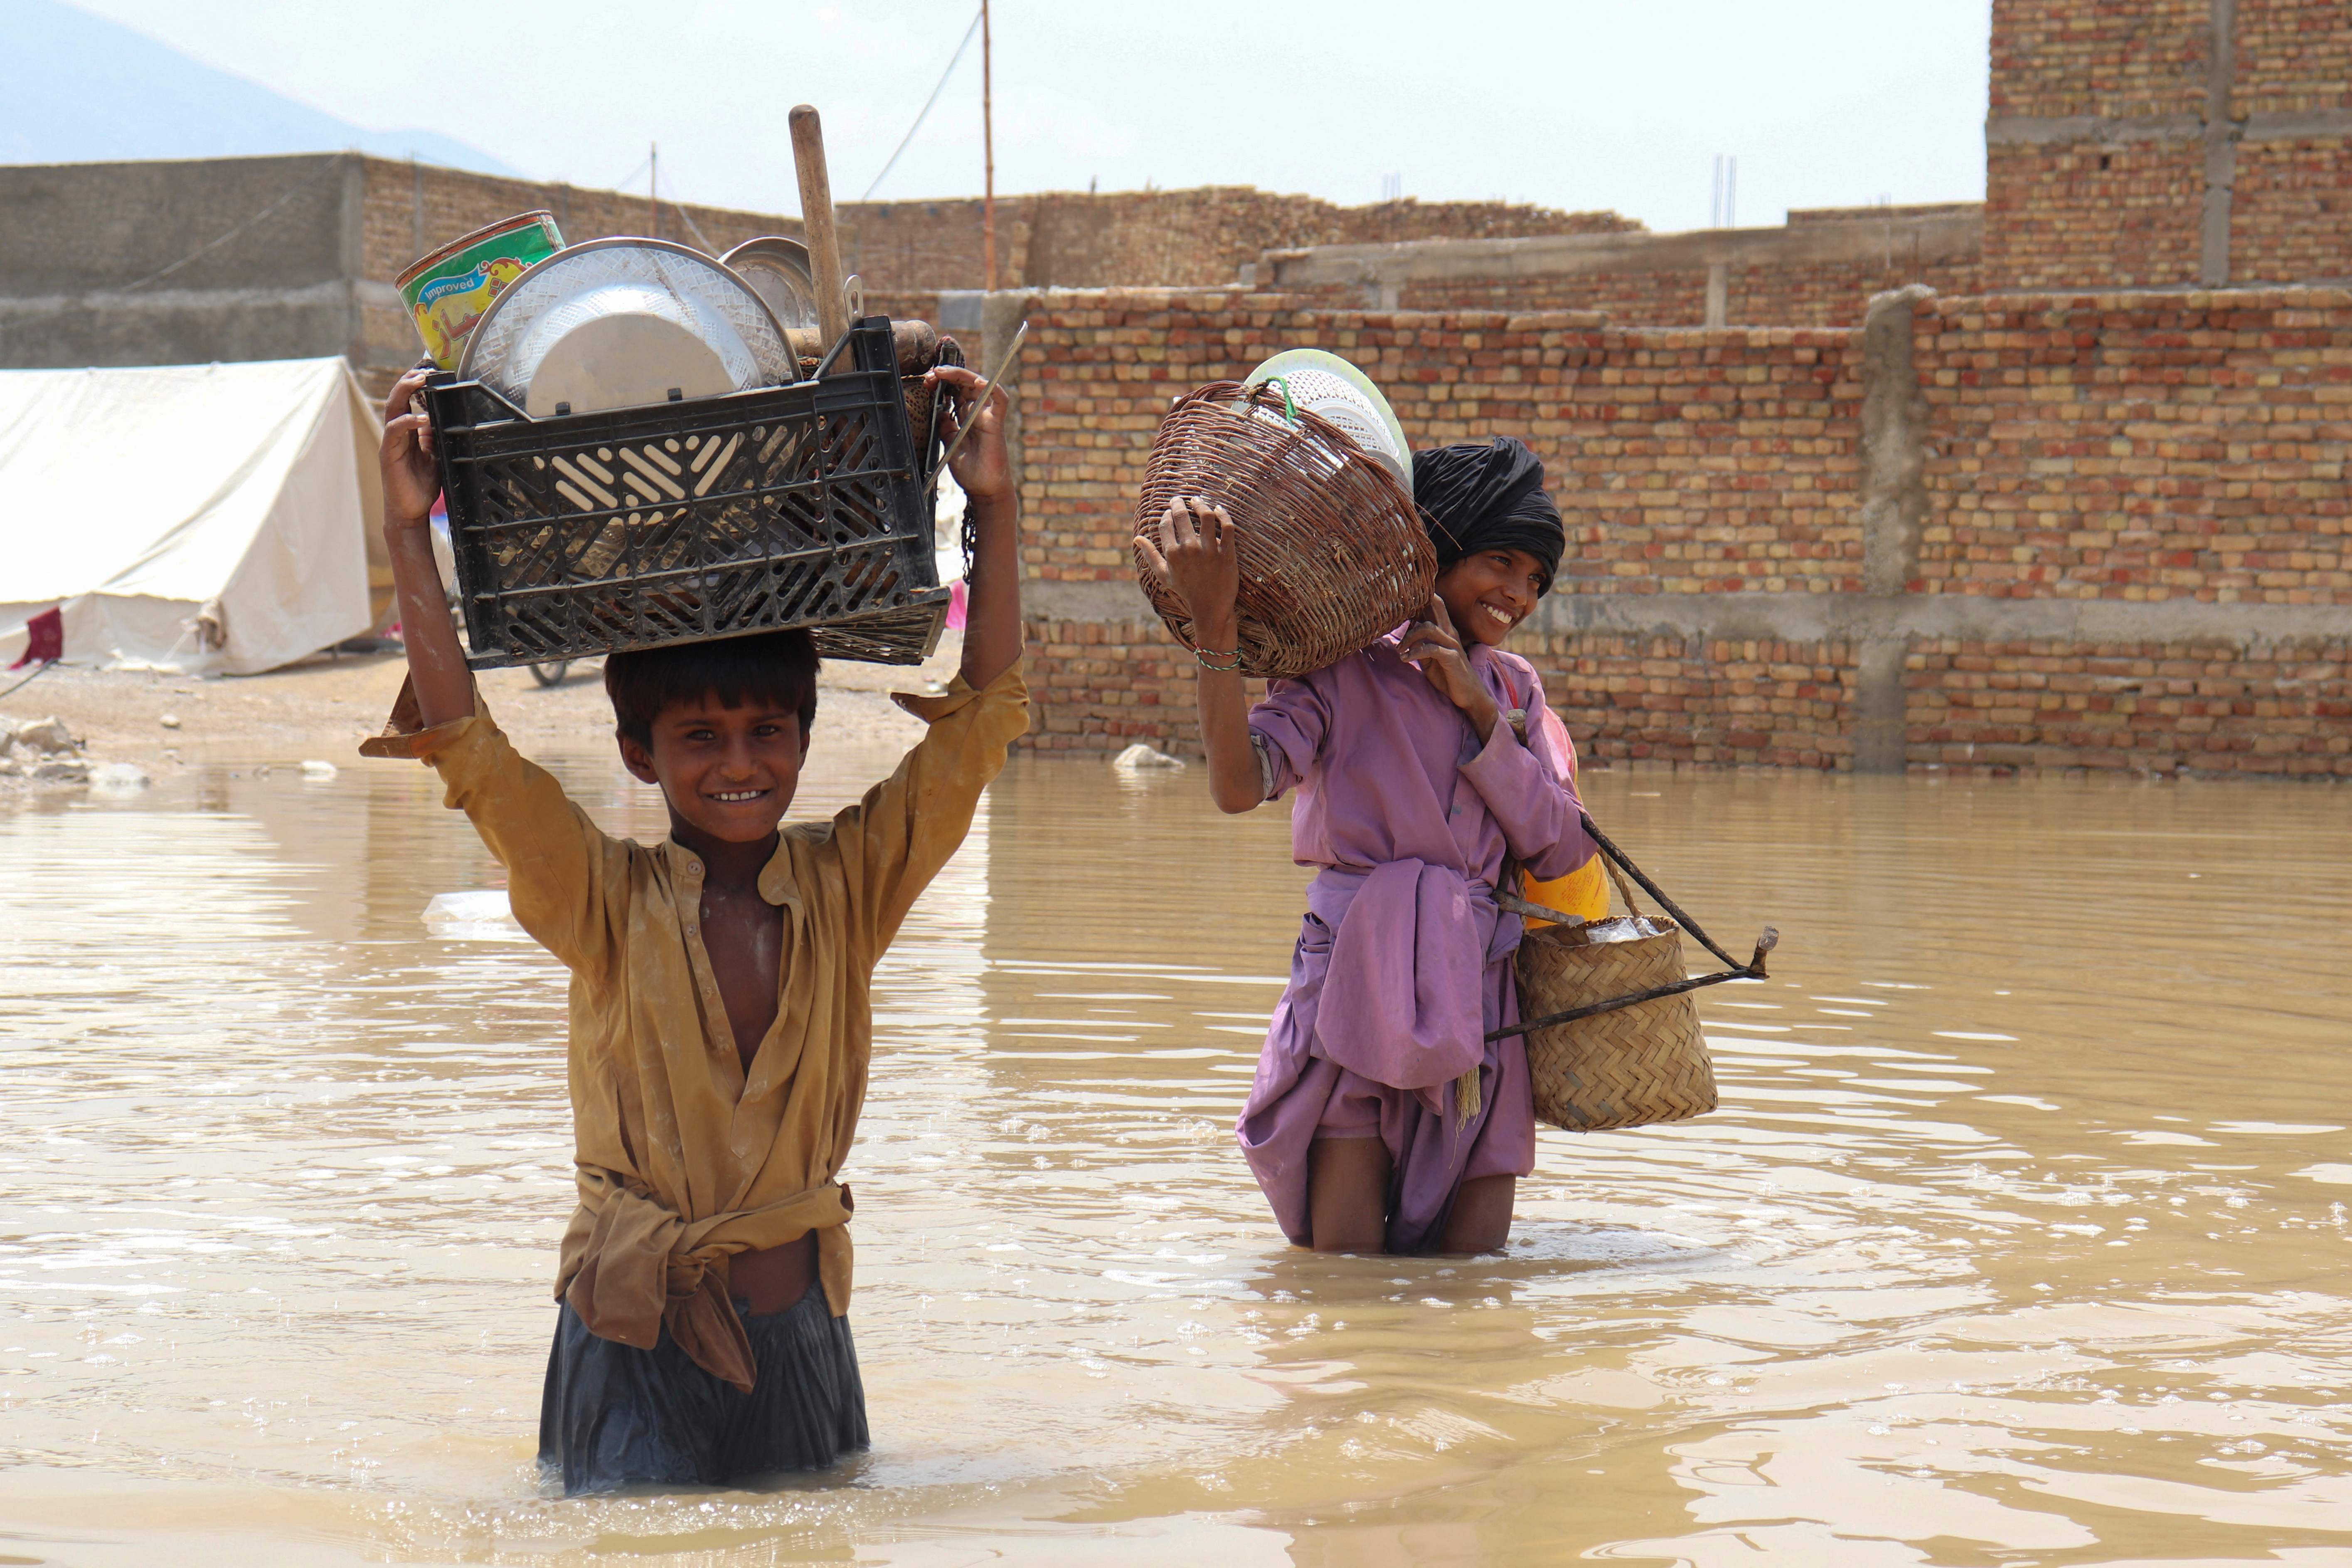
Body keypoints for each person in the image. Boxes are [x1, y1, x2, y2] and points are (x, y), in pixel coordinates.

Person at [363, 360, 1026, 1493]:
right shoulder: (600, 900)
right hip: (634, 1340)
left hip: (803, 1339)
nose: (738, 764)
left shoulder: (849, 885)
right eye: (700, 737)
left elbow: (980, 723)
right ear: (640, 753)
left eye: (766, 731)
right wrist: (405, 529)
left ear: (807, 738)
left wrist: (995, 509)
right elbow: (466, 742)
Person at [1139, 436, 1595, 1255]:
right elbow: (1239, 786)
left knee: (1474, 1279)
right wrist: (1216, 627)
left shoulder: (1515, 691)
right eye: (1499, 563)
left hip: (1483, 1009)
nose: (1517, 595)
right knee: (1346, 1285)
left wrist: (1478, 712)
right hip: (1354, 992)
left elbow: (1560, 849)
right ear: (1439, 550)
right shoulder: (1340, 670)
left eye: (1535, 580)